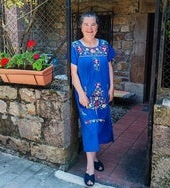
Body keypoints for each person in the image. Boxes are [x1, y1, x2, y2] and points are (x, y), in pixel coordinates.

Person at [70, 12, 115, 186]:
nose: (90, 28)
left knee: (99, 126)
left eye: (93, 24)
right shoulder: (75, 47)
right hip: (85, 96)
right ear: (81, 27)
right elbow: (73, 72)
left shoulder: (104, 45)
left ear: (97, 27)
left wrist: (111, 87)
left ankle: (94, 158)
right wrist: (80, 94)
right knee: (90, 127)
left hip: (102, 94)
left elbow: (109, 67)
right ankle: (90, 168)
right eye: (86, 24)